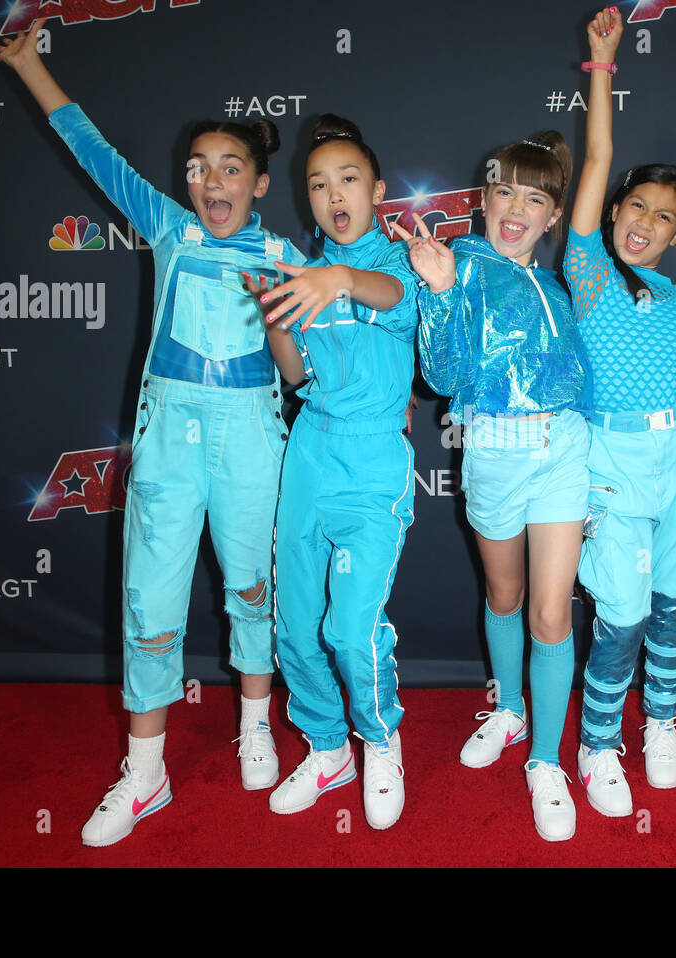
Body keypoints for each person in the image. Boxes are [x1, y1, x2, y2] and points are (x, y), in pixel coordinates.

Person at [0, 21, 301, 846]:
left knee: (253, 588)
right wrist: (30, 66)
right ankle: (146, 770)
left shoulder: (289, 254)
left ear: (260, 183)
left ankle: (258, 724)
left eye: (230, 167)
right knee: (150, 601)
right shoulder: (168, 226)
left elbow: (313, 363)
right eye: (198, 168)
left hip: (253, 435)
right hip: (170, 435)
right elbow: (94, 152)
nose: (211, 180)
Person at [393, 130, 587, 842]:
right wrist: (439, 291)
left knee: (551, 614)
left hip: (563, 449)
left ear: (553, 215)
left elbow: (582, 380)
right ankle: (509, 711)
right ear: (484, 200)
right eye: (505, 192)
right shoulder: (461, 264)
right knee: (504, 596)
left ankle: (545, 761)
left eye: (535, 198)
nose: (516, 209)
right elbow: (441, 378)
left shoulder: (560, 284)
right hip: (494, 454)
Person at [566, 7, 676, 818]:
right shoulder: (588, 273)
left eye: (665, 216)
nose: (645, 223)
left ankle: (660, 722)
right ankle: (599, 745)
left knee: (671, 605)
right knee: (620, 615)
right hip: (613, 468)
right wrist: (603, 65)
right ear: (617, 207)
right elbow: (596, 157)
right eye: (636, 206)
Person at [257, 116, 419, 831]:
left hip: (375, 458)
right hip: (310, 451)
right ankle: (329, 748)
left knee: (350, 628)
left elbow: (392, 299)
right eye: (317, 184)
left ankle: (381, 740)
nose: (333, 194)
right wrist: (276, 326)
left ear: (378, 188)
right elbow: (297, 378)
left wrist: (337, 278)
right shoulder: (298, 273)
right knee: (293, 627)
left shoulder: (403, 264)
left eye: (348, 178)